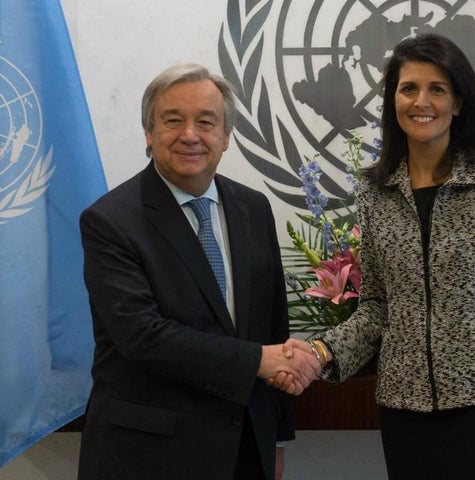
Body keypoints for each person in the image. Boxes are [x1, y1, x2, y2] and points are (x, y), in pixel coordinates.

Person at [275, 34, 475, 479]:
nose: (421, 101)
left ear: (458, 103)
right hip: (405, 407)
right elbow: (375, 308)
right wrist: (319, 353)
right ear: (393, 99)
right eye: (408, 88)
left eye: (437, 89)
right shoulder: (375, 189)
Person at [77, 63, 320, 480]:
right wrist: (258, 360)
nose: (190, 134)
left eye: (206, 122)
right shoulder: (110, 221)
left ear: (225, 137)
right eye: (173, 121)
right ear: (149, 134)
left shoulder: (253, 208)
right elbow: (142, 337)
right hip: (149, 457)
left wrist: (275, 439)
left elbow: (272, 325)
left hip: (246, 450)